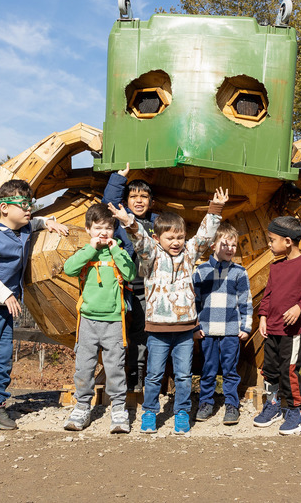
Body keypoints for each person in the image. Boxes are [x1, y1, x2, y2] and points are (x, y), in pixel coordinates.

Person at [110, 187, 229, 434]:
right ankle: (150, 413)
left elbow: (205, 236)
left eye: (180, 237)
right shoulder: (151, 255)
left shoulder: (189, 253)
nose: (176, 243)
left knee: (184, 375)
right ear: (158, 239)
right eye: (170, 238)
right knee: (153, 375)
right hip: (158, 329)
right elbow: (139, 238)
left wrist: (215, 209)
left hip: (185, 329)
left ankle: (182, 412)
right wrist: (128, 222)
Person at [0, 179, 70, 430]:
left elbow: (34, 223)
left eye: (30, 204)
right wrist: (5, 295)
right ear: (4, 207)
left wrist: (48, 223)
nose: (29, 209)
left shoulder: (23, 228)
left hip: (3, 309)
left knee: (3, 360)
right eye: (22, 204)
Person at [62, 204, 137, 433]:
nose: (103, 233)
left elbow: (130, 273)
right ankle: (82, 407)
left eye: (108, 228)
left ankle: (118, 409)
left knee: (115, 366)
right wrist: (90, 249)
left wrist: (116, 250)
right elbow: (69, 269)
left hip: (115, 320)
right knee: (83, 366)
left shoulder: (118, 252)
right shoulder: (85, 252)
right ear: (88, 229)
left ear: (114, 230)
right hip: (87, 320)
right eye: (97, 228)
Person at [253, 216, 301, 435]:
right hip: (272, 329)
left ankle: (297, 412)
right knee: (270, 371)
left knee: (288, 371)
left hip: (291, 332)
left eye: (272, 240)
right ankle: (273, 405)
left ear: (288, 241)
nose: (270, 244)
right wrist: (262, 316)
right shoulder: (276, 268)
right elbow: (268, 295)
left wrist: (300, 308)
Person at [102, 163, 158, 393]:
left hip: (146, 288)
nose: (139, 200)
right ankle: (116, 378)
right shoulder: (121, 219)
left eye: (144, 196)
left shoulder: (157, 222)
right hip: (123, 287)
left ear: (151, 201)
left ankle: (138, 377)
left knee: (142, 335)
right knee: (116, 333)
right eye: (133, 196)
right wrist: (119, 178)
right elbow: (110, 203)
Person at [192, 223, 253, 426]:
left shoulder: (239, 272)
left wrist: (245, 327)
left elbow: (246, 301)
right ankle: (206, 403)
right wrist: (195, 326)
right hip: (207, 330)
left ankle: (231, 405)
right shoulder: (200, 272)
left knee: (230, 370)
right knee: (208, 369)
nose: (229, 248)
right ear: (213, 245)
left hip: (230, 331)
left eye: (233, 245)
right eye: (224, 244)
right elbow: (194, 302)